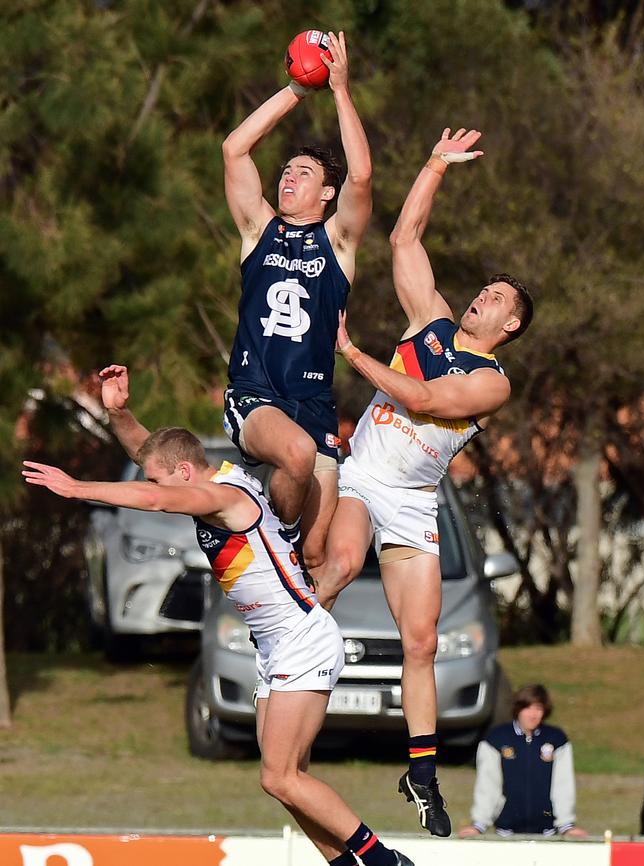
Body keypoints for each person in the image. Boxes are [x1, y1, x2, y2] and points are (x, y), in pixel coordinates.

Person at [22, 364, 413, 866]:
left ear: (184, 474)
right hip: (277, 645)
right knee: (288, 780)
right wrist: (119, 414)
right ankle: (346, 863)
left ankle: (384, 860)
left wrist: (79, 489)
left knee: (279, 776)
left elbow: (156, 495)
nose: (160, 483)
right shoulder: (206, 477)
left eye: (165, 478)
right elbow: (154, 459)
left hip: (301, 638)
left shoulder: (222, 496)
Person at [316, 127, 534, 837]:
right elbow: (405, 238)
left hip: (411, 503)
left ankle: (421, 772)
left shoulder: (490, 382)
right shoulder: (431, 321)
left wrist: (352, 351)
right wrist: (435, 165)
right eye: (485, 288)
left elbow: (427, 402)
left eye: (497, 297)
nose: (483, 295)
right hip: (363, 477)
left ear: (510, 325)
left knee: (421, 643)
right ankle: (281, 649)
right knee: (342, 564)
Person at [221, 30, 372, 571]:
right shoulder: (258, 230)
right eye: (285, 170)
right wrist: (296, 90)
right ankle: (268, 543)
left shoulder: (338, 243)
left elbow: (362, 175)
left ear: (326, 194)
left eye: (302, 173)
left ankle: (296, 648)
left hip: (315, 403)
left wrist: (339, 90)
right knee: (297, 459)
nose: (287, 176)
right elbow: (235, 149)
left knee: (317, 553)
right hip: (255, 395)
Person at [458, 684, 587, 837]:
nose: (533, 714)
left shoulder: (556, 739)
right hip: (506, 831)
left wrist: (567, 825)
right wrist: (479, 824)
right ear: (518, 708)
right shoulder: (497, 738)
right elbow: (488, 784)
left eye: (538, 708)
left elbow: (563, 784)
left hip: (547, 832)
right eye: (528, 708)